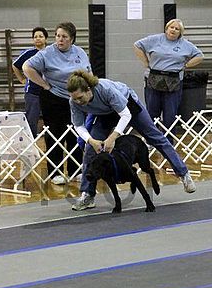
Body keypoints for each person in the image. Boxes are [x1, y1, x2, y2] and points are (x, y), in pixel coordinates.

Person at [67, 69, 197, 211]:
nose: (78, 102)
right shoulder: (74, 101)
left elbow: (125, 115)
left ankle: (184, 174)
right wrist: (92, 141)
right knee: (90, 150)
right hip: (104, 114)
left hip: (127, 106)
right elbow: (79, 125)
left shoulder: (105, 89)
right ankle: (87, 195)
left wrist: (112, 137)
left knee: (156, 138)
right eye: (75, 99)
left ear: (88, 90)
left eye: (80, 97)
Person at [23, 22, 92, 185]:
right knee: (54, 135)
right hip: (53, 98)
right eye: (58, 36)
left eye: (64, 37)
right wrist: (44, 84)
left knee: (75, 133)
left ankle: (77, 170)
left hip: (76, 99)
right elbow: (27, 67)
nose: (60, 40)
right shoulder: (47, 53)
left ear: (72, 39)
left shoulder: (80, 52)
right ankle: (55, 172)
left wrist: (89, 91)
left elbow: (88, 72)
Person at [133, 19, 203, 143]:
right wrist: (146, 63)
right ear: (166, 28)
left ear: (180, 33)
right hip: (153, 79)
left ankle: (169, 142)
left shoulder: (185, 44)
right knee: (152, 112)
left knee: (170, 114)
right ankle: (151, 141)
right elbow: (137, 45)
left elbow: (200, 56)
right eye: (171, 27)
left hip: (174, 81)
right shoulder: (155, 39)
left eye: (177, 29)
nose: (173, 30)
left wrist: (186, 65)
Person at [12, 27, 48, 138]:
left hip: (49, 91)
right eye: (35, 37)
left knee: (50, 121)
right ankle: (31, 147)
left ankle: (51, 148)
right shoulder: (28, 53)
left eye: (40, 36)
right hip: (32, 93)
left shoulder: (51, 52)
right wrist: (22, 79)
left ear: (46, 38)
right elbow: (15, 65)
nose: (38, 39)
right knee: (31, 120)